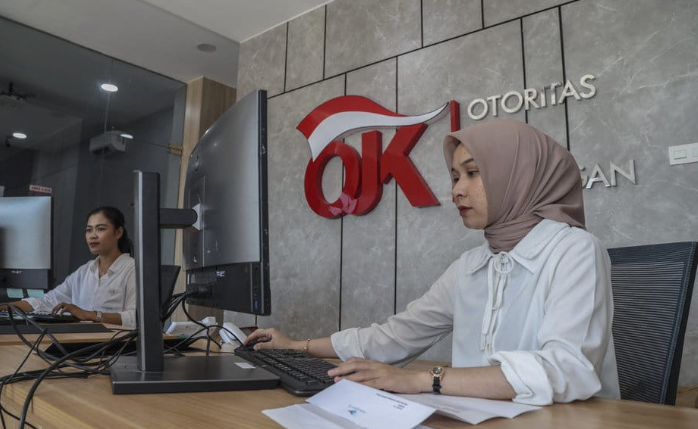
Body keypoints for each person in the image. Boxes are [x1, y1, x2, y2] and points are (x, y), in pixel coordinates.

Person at [244, 119, 620, 405]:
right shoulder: (470, 265)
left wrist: (425, 380)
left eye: (473, 173)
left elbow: (567, 369)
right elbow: (393, 337)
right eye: (455, 177)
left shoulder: (575, 250)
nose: (456, 190)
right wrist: (297, 346)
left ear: (518, 176)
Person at [0, 206, 136, 327]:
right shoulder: (85, 271)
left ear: (118, 232)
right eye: (89, 230)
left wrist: (91, 315)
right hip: (83, 342)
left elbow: (135, 317)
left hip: (116, 348)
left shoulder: (133, 270)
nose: (93, 235)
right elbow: (46, 302)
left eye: (100, 229)